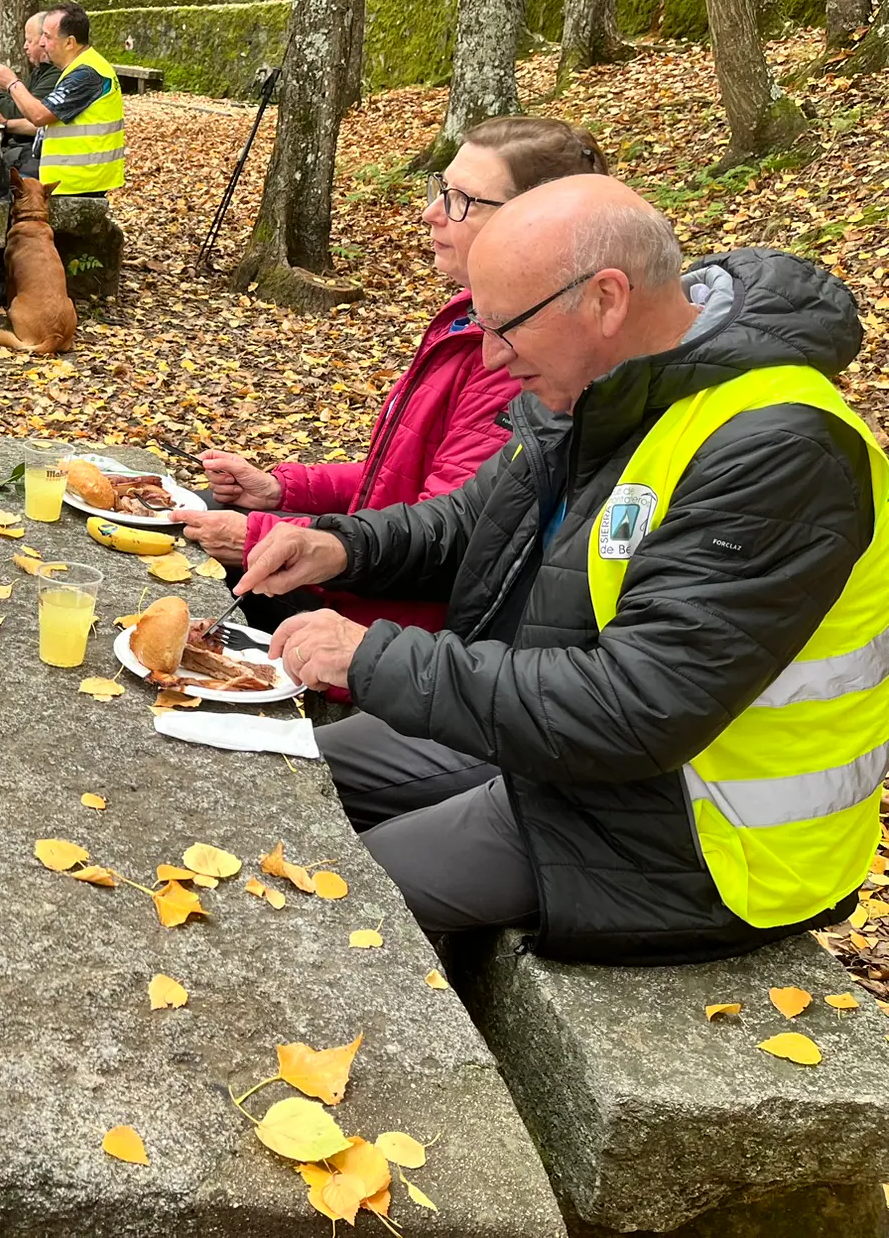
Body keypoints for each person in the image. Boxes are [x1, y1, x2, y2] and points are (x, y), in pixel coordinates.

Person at [238, 177, 889, 965]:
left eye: (504, 327)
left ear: (607, 299)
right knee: (272, 778)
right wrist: (341, 546)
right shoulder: (606, 383)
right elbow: (472, 522)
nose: (490, 356)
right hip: (560, 749)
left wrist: (369, 657)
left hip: (694, 836)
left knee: (317, 895)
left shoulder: (779, 451)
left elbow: (640, 707)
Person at [175, 118, 609, 634]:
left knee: (178, 563)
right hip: (361, 573)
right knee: (183, 518)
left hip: (383, 622)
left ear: (533, 223)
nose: (431, 213)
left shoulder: (527, 358)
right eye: (439, 190)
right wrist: (278, 489)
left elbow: (450, 536)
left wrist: (264, 534)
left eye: (460, 200)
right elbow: (397, 478)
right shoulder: (464, 317)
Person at [0, 1, 125, 196]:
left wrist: (12, 83)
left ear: (69, 42)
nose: (42, 43)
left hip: (78, 182)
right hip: (69, 176)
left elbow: (39, 115)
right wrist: (6, 123)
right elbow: (48, 123)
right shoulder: (78, 68)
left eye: (47, 36)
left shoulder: (87, 74)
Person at [0, 11, 62, 170]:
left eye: (30, 40)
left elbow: (28, 113)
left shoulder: (57, 74)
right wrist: (3, 122)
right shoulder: (40, 71)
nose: (25, 46)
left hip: (39, 160)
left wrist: (5, 86)